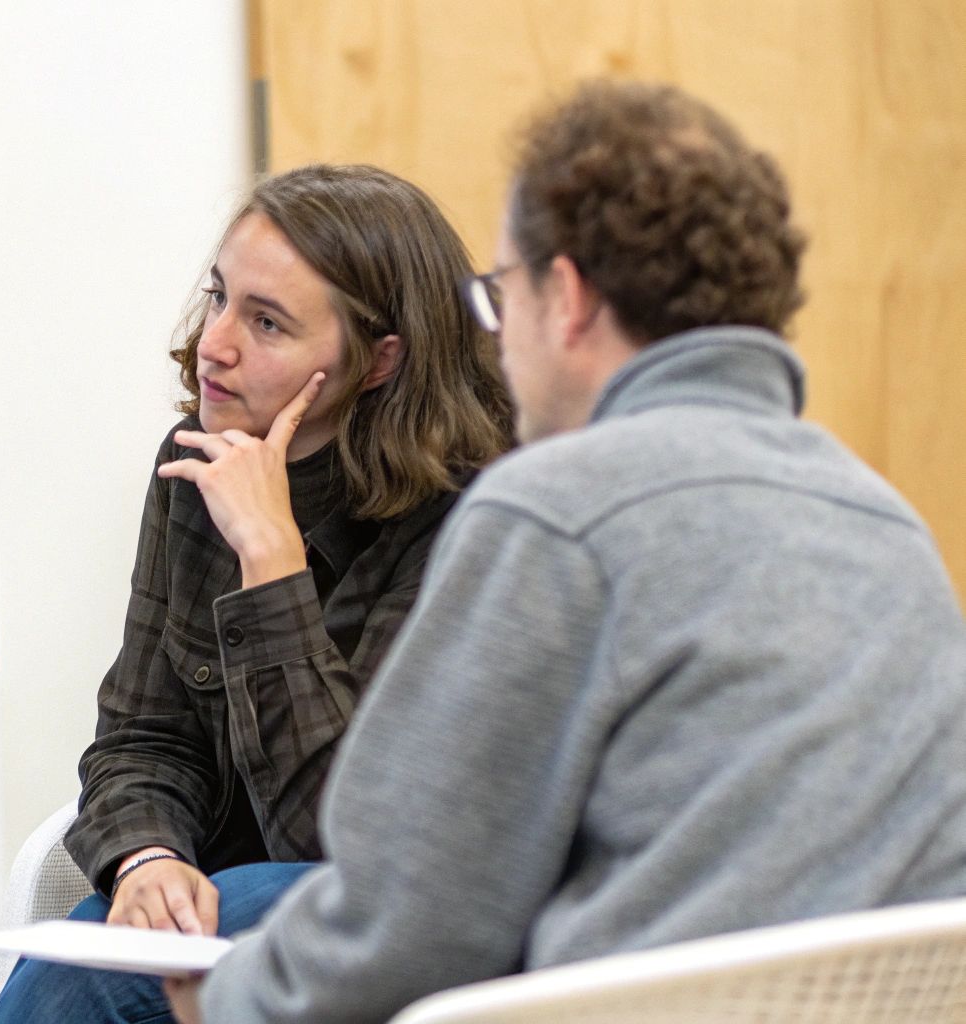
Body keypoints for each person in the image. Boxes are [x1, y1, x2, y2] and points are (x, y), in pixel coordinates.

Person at [163, 80, 966, 1024]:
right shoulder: (889, 525)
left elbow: (409, 927)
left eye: (502, 296)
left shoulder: (555, 516)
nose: (497, 346)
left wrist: (228, 998)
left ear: (569, 300)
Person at [0, 165, 514, 1023]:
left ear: (379, 362)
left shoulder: (470, 518)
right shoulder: (199, 459)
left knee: (89, 985)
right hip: (229, 888)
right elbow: (141, 737)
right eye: (219, 297)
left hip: (403, 917)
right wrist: (147, 857)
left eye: (266, 323)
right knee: (88, 940)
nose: (214, 345)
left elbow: (343, 840)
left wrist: (272, 563)